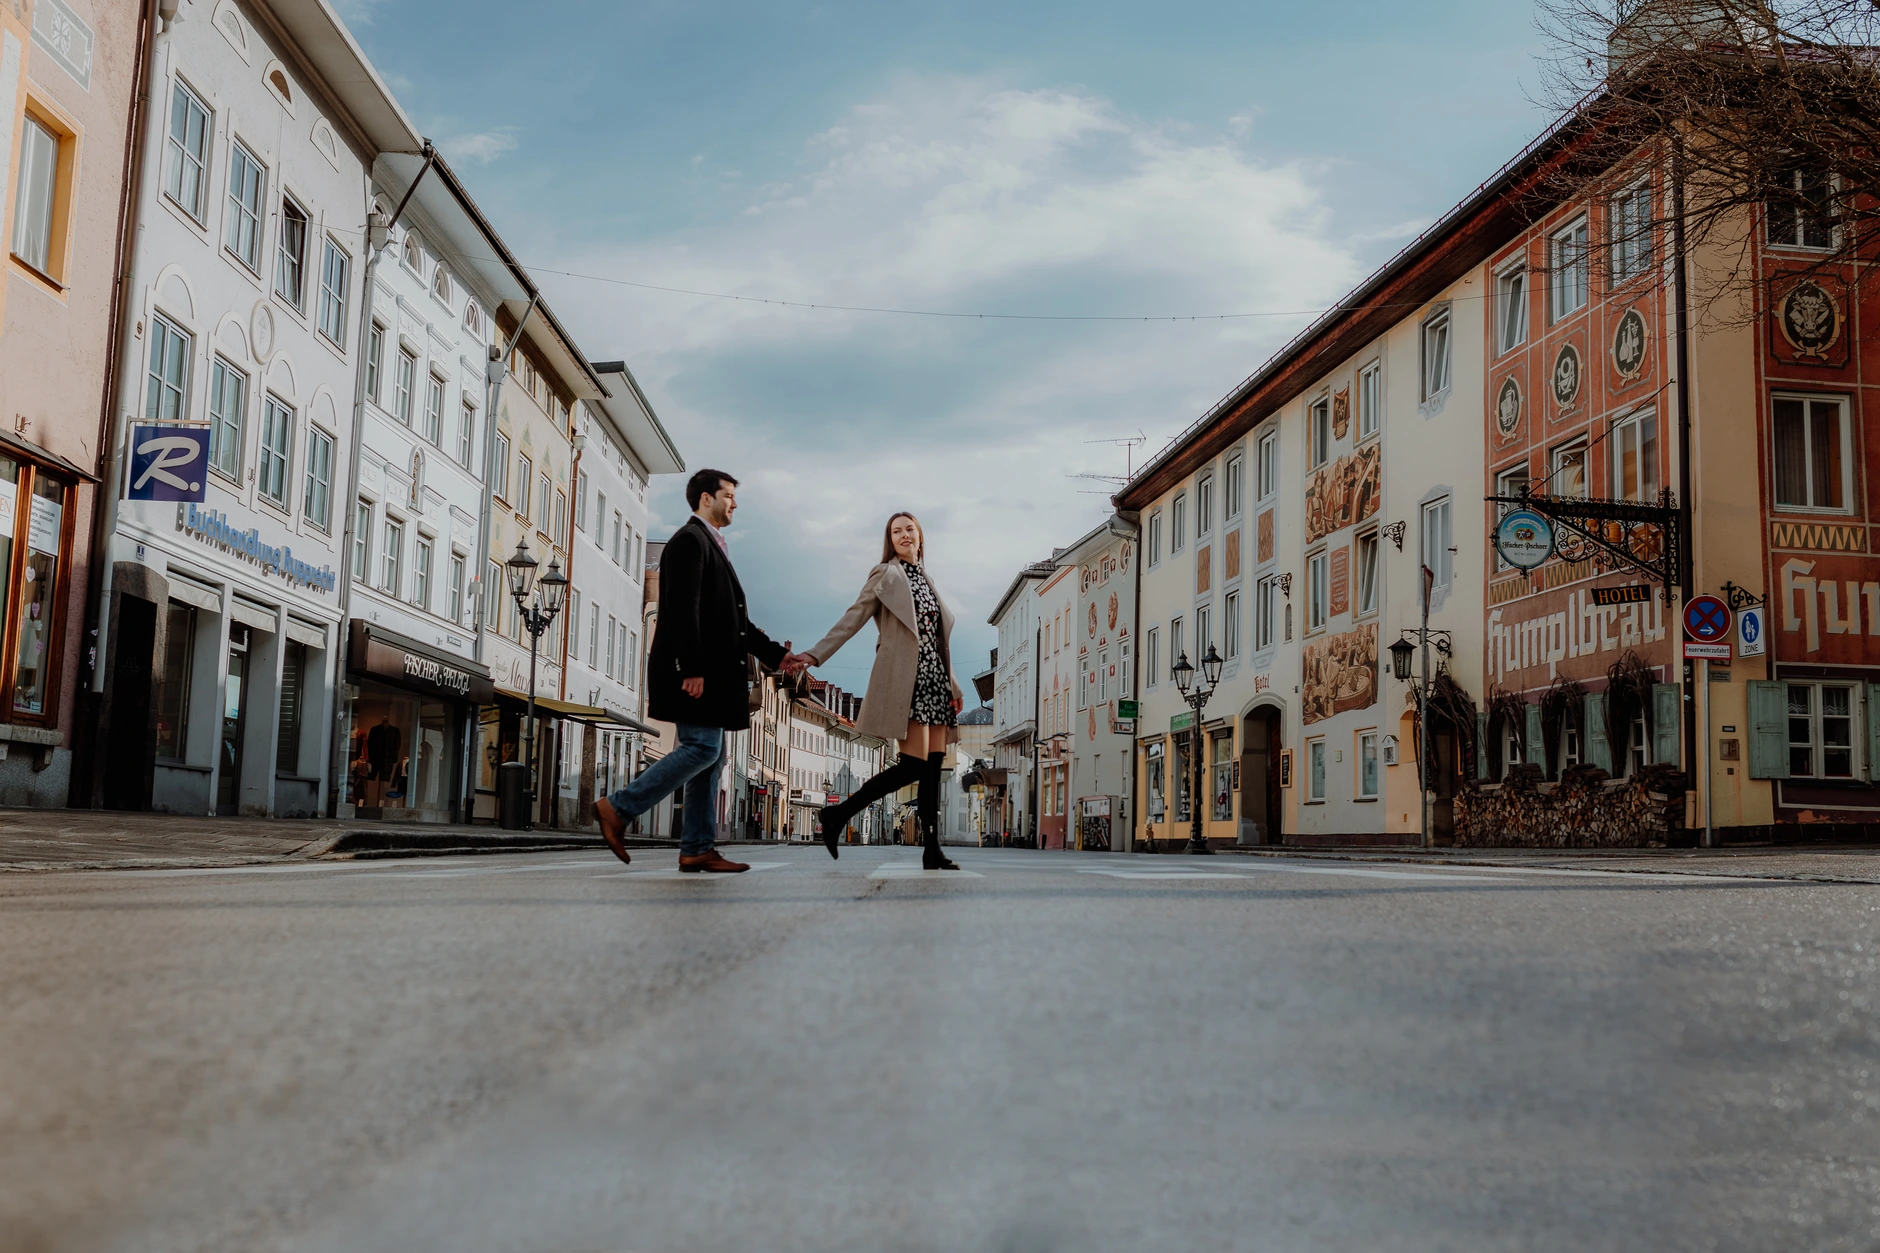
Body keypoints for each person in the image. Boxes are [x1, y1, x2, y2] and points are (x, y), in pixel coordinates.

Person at [592, 469, 793, 872]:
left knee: (713, 757)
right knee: (702, 748)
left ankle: (697, 848)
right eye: (729, 495)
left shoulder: (711, 545)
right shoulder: (689, 541)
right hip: (696, 673)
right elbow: (682, 610)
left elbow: (733, 622)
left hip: (712, 675)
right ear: (705, 498)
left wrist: (777, 656)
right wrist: (691, 668)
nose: (734, 503)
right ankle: (618, 807)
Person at [789, 512, 965, 870]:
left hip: (935, 682)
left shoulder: (927, 579)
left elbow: (938, 641)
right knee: (913, 765)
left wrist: (954, 685)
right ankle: (838, 814)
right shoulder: (886, 575)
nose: (904, 535)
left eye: (909, 529)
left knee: (931, 767)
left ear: (920, 536)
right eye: (896, 531)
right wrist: (815, 653)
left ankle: (931, 850)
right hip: (907, 680)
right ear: (890, 540)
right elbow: (853, 617)